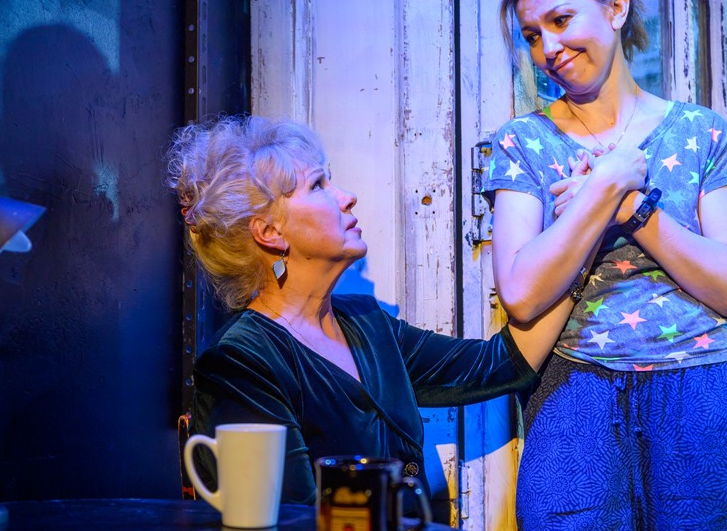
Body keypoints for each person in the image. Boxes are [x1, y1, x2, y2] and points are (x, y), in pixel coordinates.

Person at [484, 0, 727, 531]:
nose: (548, 48)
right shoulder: (524, 142)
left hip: (702, 393)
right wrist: (601, 192)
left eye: (561, 20)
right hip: (575, 394)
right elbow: (521, 291)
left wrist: (632, 207)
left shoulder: (699, 131)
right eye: (532, 35)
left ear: (615, 8)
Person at [166, 115, 556, 506]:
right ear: (270, 233)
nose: (346, 196)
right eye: (318, 185)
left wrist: (583, 241)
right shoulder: (242, 362)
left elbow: (500, 364)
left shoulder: (366, 323)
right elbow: (292, 522)